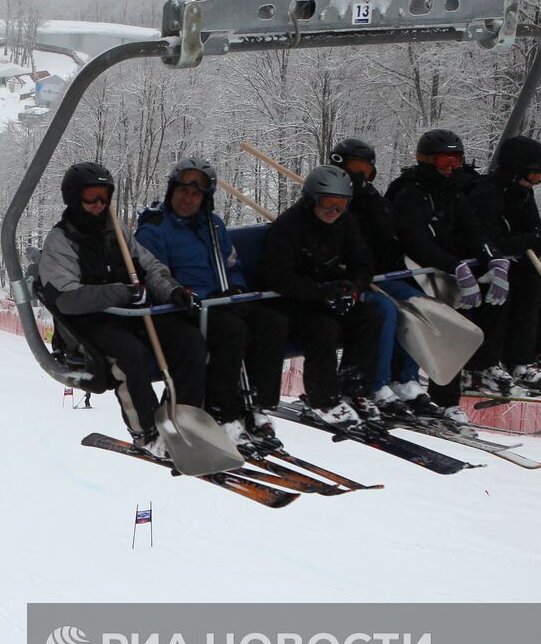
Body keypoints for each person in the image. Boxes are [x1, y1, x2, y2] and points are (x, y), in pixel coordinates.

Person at [39, 162, 208, 460]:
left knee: (190, 339)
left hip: (130, 314)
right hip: (89, 324)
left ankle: (184, 418)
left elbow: (150, 266)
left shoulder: (116, 231)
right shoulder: (61, 241)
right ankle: (145, 431)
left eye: (104, 197)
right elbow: (66, 298)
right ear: (74, 198)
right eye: (91, 197)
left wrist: (172, 291)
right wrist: (121, 292)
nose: (98, 205)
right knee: (132, 355)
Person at [136, 157, 288, 449]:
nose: (188, 199)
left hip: (221, 299)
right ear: (171, 190)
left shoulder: (213, 226)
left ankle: (257, 405)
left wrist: (236, 287)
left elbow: (231, 265)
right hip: (185, 306)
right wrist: (184, 294)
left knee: (272, 323)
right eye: (182, 191)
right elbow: (155, 274)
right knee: (232, 331)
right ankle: (224, 411)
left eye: (196, 194)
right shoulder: (154, 228)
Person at [386, 128, 509, 424]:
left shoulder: (452, 192)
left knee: (497, 297)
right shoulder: (409, 193)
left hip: (441, 271)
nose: (452, 168)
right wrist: (455, 266)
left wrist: (493, 259)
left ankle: (481, 365)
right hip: (410, 271)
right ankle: (441, 397)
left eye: (457, 161)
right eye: (444, 162)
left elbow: (473, 229)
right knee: (442, 323)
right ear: (427, 161)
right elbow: (415, 241)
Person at [256, 165, 382, 427]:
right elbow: (277, 277)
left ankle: (354, 386)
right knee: (323, 328)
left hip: (327, 296)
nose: (334, 211)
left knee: (369, 315)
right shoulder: (289, 226)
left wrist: (353, 288)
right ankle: (323, 398)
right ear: (311, 199)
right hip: (292, 301)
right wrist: (321, 292)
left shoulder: (345, 224)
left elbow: (363, 261)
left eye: (342, 204)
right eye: (328, 203)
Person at [330, 138, 439, 419]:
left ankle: (405, 378)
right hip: (348, 278)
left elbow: (389, 233)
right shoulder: (330, 197)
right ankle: (376, 384)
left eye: (367, 168)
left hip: (378, 273)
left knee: (418, 303)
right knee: (385, 308)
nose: (361, 174)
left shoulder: (371, 197)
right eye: (357, 167)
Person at [462, 135, 541, 390]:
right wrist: (532, 241)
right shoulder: (487, 194)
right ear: (516, 170)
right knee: (527, 282)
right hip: (485, 266)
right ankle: (517, 360)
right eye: (535, 175)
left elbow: (533, 229)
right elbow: (488, 241)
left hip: (515, 262)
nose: (537, 182)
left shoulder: (522, 193)